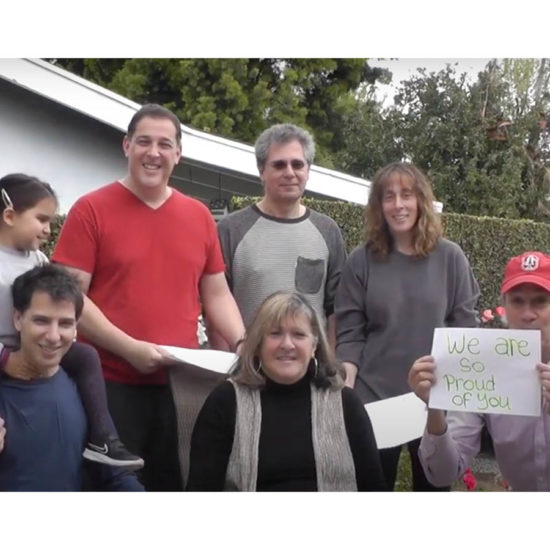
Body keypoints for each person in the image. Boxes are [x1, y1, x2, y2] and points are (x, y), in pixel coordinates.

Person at [52, 104, 245, 491]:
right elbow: (71, 297)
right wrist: (131, 349)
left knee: (175, 484)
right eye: (143, 141)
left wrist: (244, 343)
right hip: (108, 385)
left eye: (164, 144)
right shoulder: (91, 209)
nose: (153, 153)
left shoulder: (199, 215)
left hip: (184, 386)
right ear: (126, 146)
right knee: (113, 489)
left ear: (178, 154)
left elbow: (217, 293)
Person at [335, 162, 480, 491]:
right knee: (369, 491)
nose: (398, 204)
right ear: (379, 206)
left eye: (407, 195)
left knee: (433, 492)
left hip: (433, 400)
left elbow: (465, 327)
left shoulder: (450, 258)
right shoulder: (361, 260)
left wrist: (455, 395)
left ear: (421, 202)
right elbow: (350, 332)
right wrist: (346, 395)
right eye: (389, 197)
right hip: (375, 398)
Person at [0, 173, 142, 469]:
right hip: (6, 359)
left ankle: (102, 438)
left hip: (37, 351)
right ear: (10, 215)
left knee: (87, 355)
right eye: (41, 219)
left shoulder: (37, 260)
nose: (48, 230)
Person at [186, 291, 386, 491]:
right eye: (275, 334)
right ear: (258, 343)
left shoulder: (345, 404)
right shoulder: (225, 403)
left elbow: (374, 488)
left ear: (314, 345)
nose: (287, 344)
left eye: (298, 334)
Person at [409, 251, 550, 491]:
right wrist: (435, 408)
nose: (527, 314)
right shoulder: (484, 366)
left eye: (540, 301)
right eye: (517, 301)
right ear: (504, 306)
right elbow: (443, 473)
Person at [0, 264, 143, 491]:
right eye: (41, 321)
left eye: (65, 323)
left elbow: (115, 475)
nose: (54, 336)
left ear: (76, 326)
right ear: (17, 319)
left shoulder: (85, 389)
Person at [213, 123, 346, 349]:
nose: (289, 173)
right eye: (279, 165)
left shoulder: (327, 231)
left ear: (308, 170)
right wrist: (225, 368)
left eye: (297, 164)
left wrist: (331, 368)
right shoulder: (231, 230)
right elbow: (215, 303)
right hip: (248, 368)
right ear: (262, 171)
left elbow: (335, 310)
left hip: (310, 373)